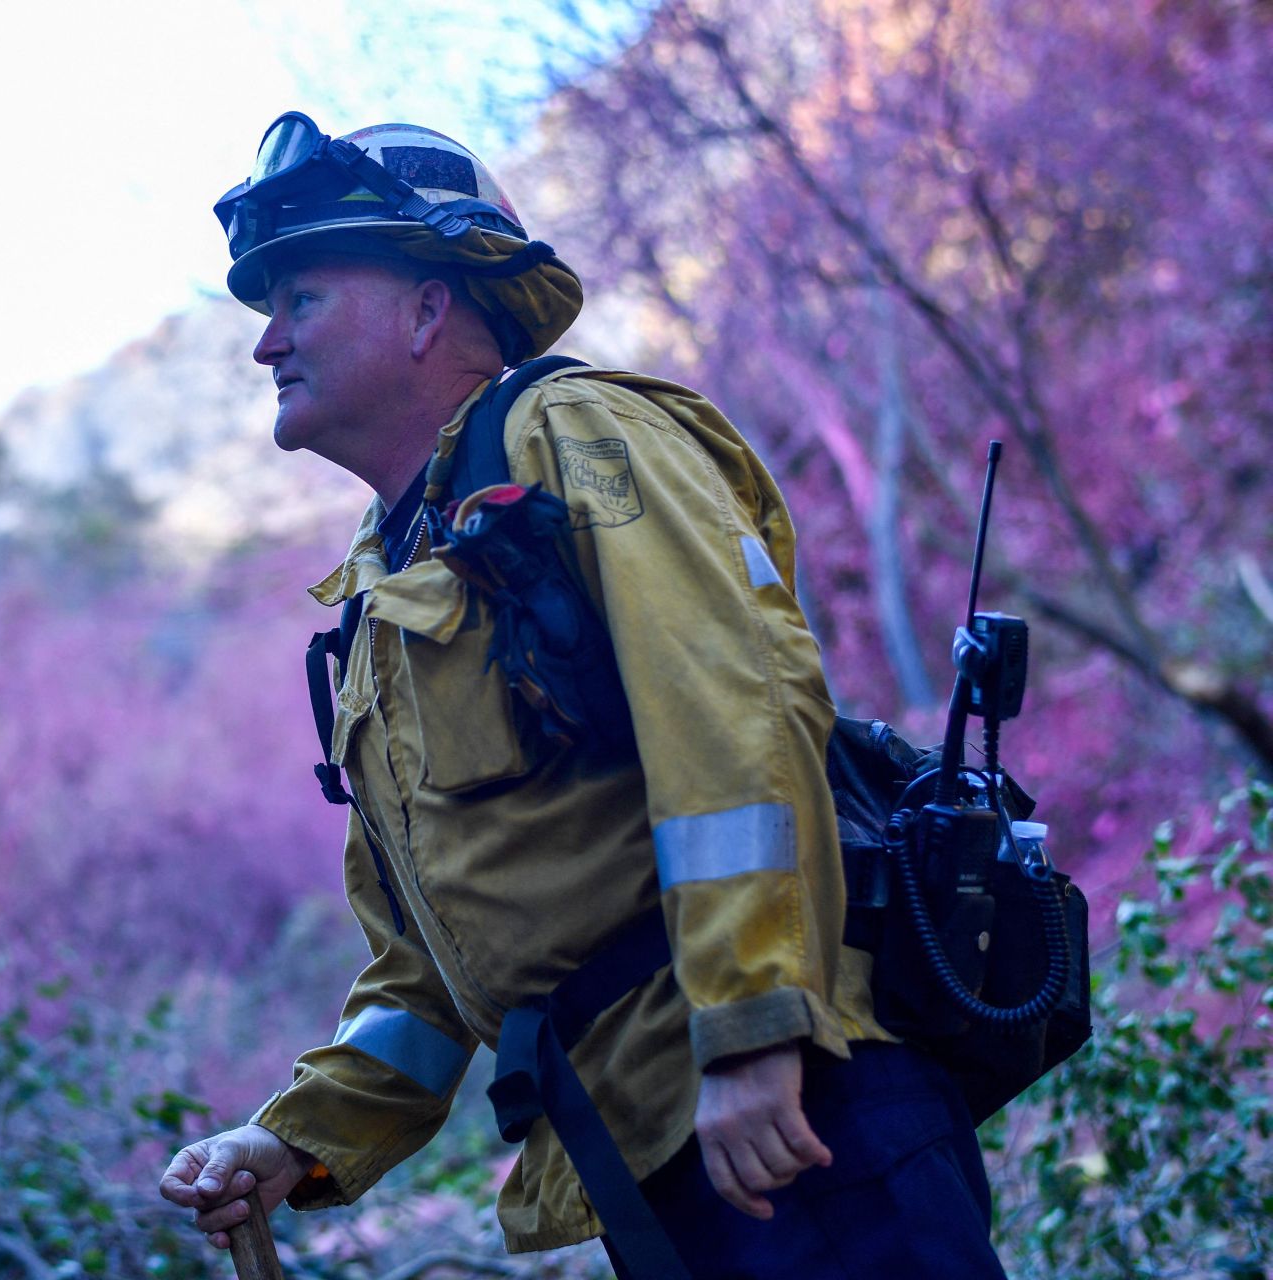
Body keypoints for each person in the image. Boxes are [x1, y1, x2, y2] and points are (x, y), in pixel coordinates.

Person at [159, 114, 1007, 1279]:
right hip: (648, 1148)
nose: (267, 343)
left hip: (791, 1106)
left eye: (299, 296)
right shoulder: (382, 594)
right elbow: (425, 968)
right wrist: (294, 1139)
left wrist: (755, 1028)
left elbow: (733, 715)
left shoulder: (575, 432)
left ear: (427, 308)